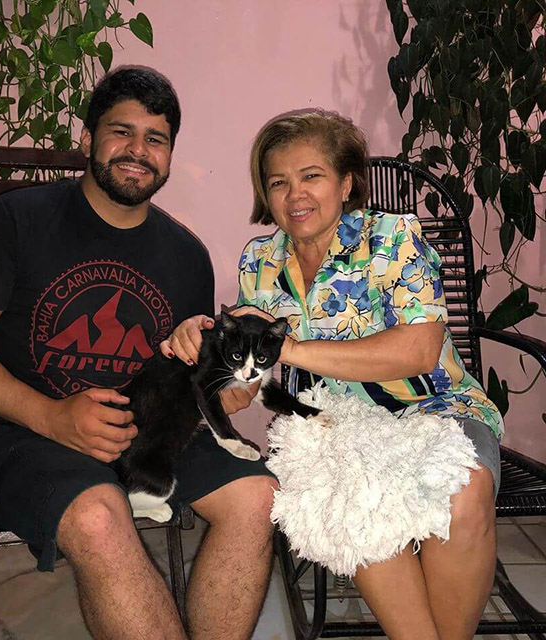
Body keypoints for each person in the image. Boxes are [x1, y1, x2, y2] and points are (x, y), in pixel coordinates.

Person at [0, 66, 278, 640]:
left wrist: (231, 389)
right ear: (87, 138)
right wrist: (51, 416)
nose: (138, 150)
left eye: (156, 138)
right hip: (28, 432)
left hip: (150, 435)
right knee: (97, 515)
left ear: (169, 154)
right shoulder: (18, 221)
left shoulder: (187, 256)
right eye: (121, 131)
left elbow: (197, 383)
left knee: (258, 497)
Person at [163, 109, 503, 640]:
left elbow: (418, 350)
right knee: (353, 495)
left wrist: (294, 350)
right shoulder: (259, 262)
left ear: (346, 183)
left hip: (436, 409)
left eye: (312, 176)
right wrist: (200, 348)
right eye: (278, 182)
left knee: (464, 493)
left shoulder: (393, 238)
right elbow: (244, 388)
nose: (294, 195)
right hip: (327, 430)